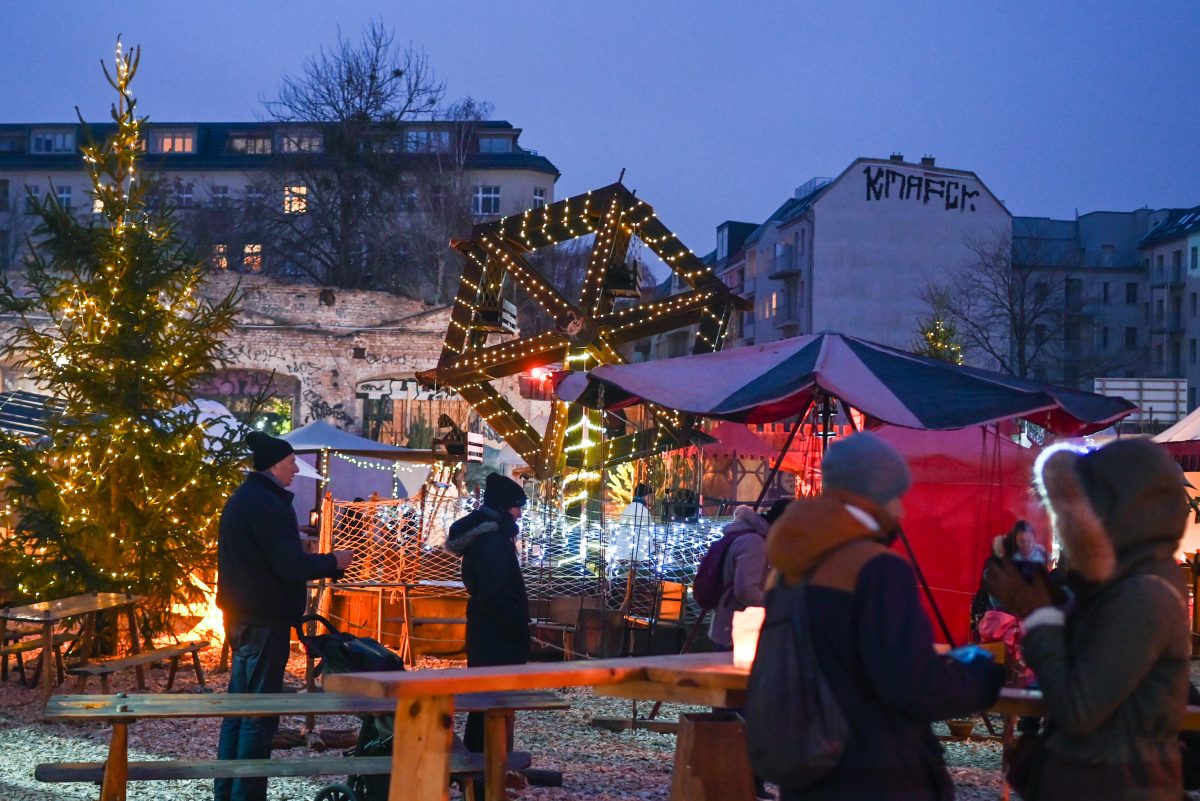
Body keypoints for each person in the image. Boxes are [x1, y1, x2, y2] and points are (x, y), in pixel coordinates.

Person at [765, 432, 1004, 801]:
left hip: (807, 771)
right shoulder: (876, 569)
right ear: (874, 496)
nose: (902, 511)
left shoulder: (787, 569)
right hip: (875, 773)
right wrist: (981, 674)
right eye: (896, 496)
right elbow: (911, 683)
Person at [986, 439, 1190, 801]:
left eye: (1082, 509)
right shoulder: (1117, 586)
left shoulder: (1144, 595)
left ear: (1123, 512)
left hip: (1118, 786)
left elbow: (1079, 708)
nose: (1072, 524)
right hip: (1099, 780)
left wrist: (1039, 614)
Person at [215, 431, 354, 801]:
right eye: (292, 463)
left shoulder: (245, 499)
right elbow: (287, 564)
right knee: (259, 713)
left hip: (244, 616)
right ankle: (246, 794)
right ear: (276, 464)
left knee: (239, 708)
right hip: (264, 620)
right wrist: (331, 562)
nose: (295, 469)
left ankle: (227, 790)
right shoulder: (268, 504)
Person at [444, 472, 530, 754]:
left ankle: (483, 767)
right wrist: (518, 624)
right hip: (497, 636)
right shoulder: (493, 543)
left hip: (488, 632)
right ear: (506, 507)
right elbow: (498, 593)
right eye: (518, 506)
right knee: (491, 703)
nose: (519, 513)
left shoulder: (490, 539)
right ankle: (485, 770)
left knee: (486, 704)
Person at [707, 501, 788, 649]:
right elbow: (745, 590)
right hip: (738, 630)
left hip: (731, 625)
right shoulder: (754, 542)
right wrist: (777, 604)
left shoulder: (746, 535)